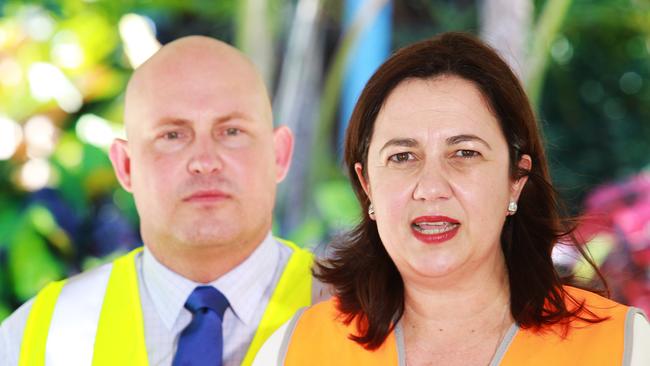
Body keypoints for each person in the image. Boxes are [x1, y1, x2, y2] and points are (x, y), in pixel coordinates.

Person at [253, 32, 650, 365]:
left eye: (465, 153)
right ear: (367, 183)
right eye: (402, 157)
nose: (430, 187)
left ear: (516, 178)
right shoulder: (294, 350)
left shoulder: (623, 346)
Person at [0, 36, 323, 366]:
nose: (204, 160)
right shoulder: (40, 336)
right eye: (172, 135)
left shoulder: (359, 313)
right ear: (125, 166)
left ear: (279, 155)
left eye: (232, 131)